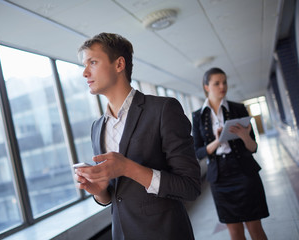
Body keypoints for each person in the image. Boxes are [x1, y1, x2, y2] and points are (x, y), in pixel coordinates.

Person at [74, 32, 201, 240]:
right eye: (84, 65)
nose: (85, 73)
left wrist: (128, 167)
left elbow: (190, 186)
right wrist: (99, 191)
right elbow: (115, 197)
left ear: (119, 64)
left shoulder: (163, 110)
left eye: (93, 62)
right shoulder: (97, 127)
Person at [192, 67, 269, 240]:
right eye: (216, 83)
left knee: (254, 227)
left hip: (244, 173)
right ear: (206, 87)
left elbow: (253, 147)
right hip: (220, 177)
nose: (222, 86)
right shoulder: (198, 116)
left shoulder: (238, 108)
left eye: (224, 82)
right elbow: (198, 152)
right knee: (234, 231)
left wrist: (243, 136)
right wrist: (218, 141)